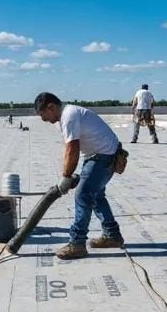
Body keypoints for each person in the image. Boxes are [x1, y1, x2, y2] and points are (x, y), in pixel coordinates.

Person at [34, 92, 124, 260]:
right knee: (96, 195)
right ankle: (113, 235)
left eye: (43, 115)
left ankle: (77, 243)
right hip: (103, 154)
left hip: (103, 156)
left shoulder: (69, 116)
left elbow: (72, 149)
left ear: (51, 107)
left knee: (83, 195)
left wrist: (66, 176)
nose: (43, 119)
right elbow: (70, 147)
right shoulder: (68, 115)